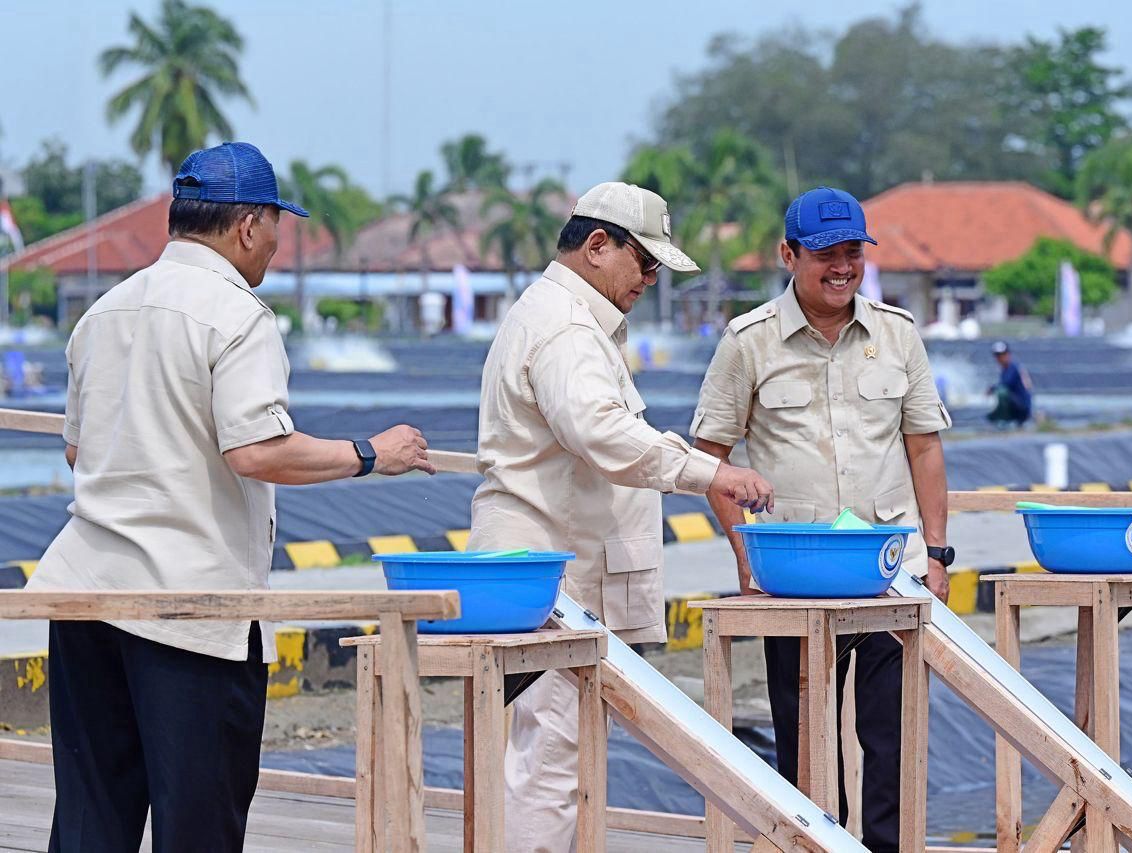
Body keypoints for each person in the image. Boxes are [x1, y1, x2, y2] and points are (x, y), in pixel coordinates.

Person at [27, 142, 436, 853]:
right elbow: (256, 449)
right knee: (199, 825)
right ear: (248, 225)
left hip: (86, 595)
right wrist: (372, 453)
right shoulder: (238, 316)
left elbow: (76, 448)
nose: (278, 244)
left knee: (92, 817)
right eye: (278, 226)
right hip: (189, 608)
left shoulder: (104, 311)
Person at [467, 181, 775, 852]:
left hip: (554, 574)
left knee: (556, 760)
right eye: (645, 262)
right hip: (548, 575)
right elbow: (603, 434)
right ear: (598, 246)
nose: (650, 279)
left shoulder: (562, 318)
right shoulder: (566, 330)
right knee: (550, 763)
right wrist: (711, 471)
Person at [689, 186, 954, 853]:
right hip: (794, 575)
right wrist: (745, 558)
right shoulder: (748, 341)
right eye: (825, 255)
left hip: (889, 572)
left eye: (851, 254)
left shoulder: (896, 334)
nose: (841, 268)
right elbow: (709, 460)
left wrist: (940, 554)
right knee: (804, 741)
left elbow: (924, 445)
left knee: (891, 735)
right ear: (789, 254)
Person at [987, 340, 1033, 427]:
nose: (1000, 358)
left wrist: (991, 388)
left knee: (1002, 392)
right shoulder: (1005, 370)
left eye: (1002, 355)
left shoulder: (1014, 368)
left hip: (1022, 407)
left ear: (1008, 354)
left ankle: (1006, 420)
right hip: (1016, 403)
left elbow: (1005, 385)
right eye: (998, 356)